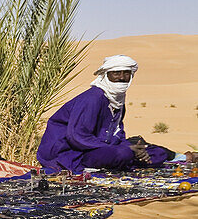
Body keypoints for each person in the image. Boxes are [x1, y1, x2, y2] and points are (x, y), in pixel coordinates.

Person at [36, 55, 177, 173]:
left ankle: (130, 157)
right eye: (116, 73)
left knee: (157, 152)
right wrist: (124, 149)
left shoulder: (117, 100)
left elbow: (117, 132)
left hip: (100, 147)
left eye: (126, 73)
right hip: (72, 153)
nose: (122, 77)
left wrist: (130, 147)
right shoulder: (93, 98)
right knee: (124, 154)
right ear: (106, 75)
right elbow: (77, 137)